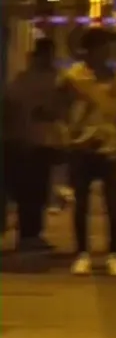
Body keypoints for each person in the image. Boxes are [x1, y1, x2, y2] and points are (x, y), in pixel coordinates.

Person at [63, 28, 116, 276]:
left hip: (108, 147)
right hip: (82, 147)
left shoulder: (112, 76)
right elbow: (59, 107)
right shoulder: (72, 76)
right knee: (81, 204)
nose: (107, 51)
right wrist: (69, 133)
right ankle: (83, 253)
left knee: (113, 204)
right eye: (103, 46)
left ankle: (114, 254)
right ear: (90, 49)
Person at [5, 37, 63, 251]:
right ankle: (30, 234)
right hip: (32, 142)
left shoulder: (23, 79)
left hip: (32, 141)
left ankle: (30, 233)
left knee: (33, 191)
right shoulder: (48, 79)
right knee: (33, 191)